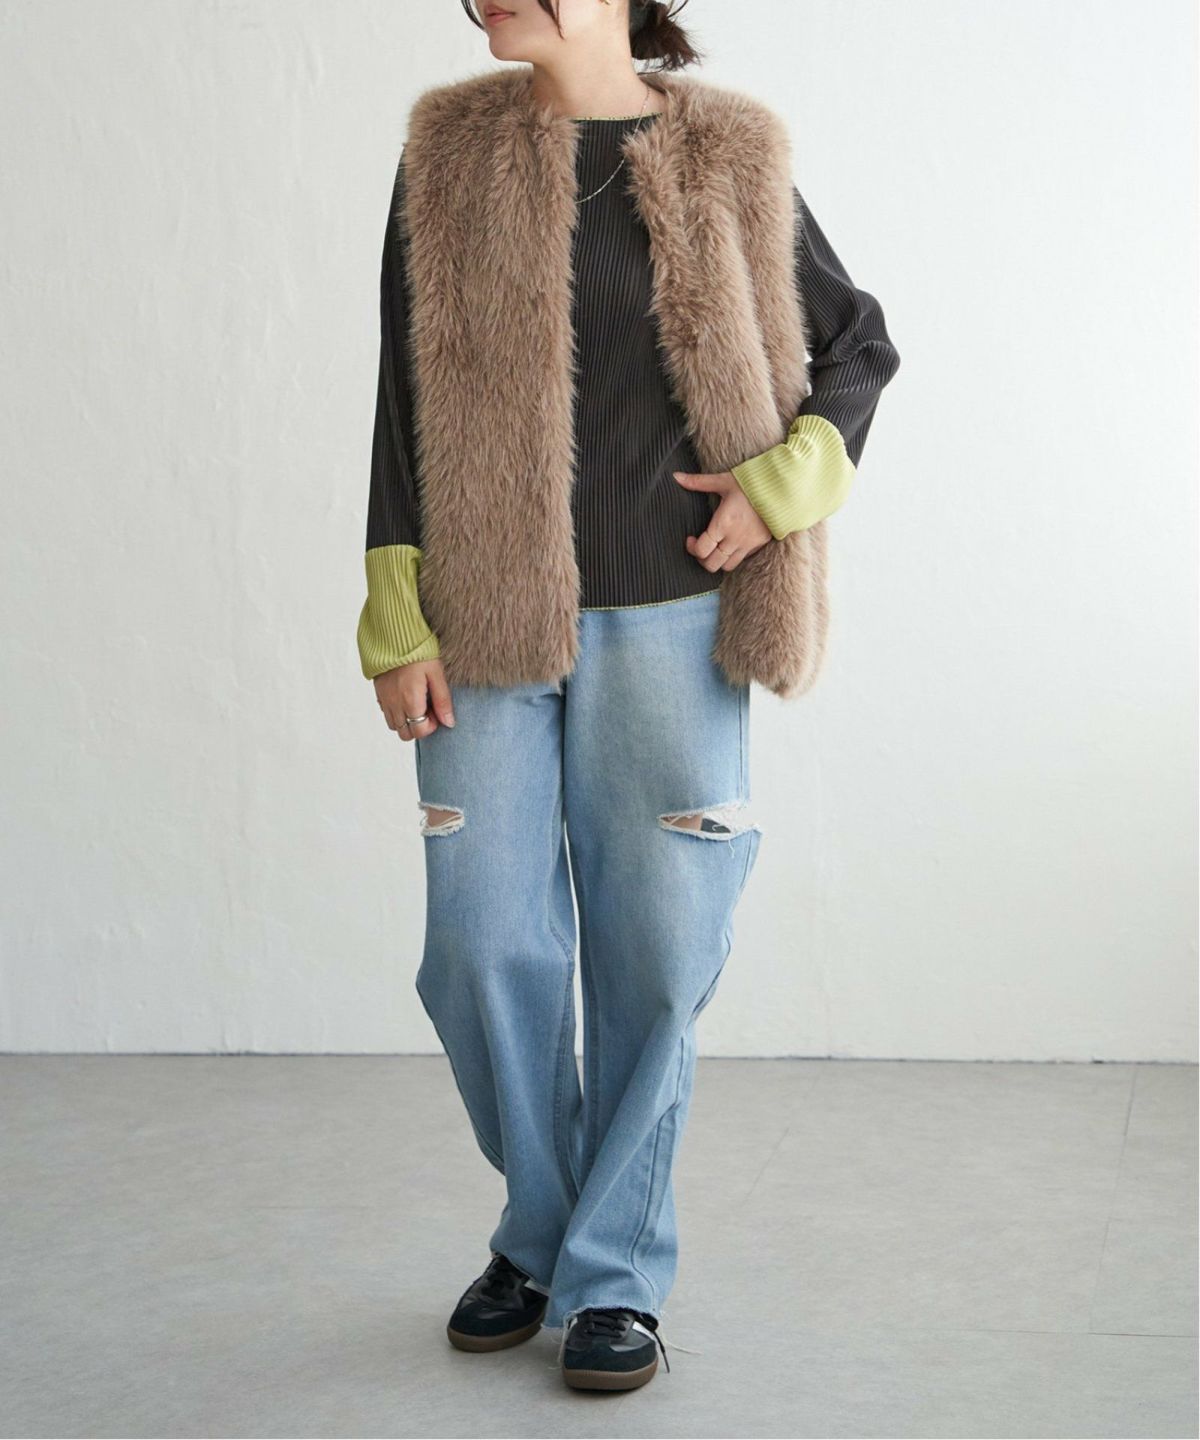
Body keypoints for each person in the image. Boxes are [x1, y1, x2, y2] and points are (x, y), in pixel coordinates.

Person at [356, 0, 900, 1394]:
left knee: (655, 959)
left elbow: (859, 344)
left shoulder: (727, 149)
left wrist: (779, 490)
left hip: (674, 614)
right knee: (480, 944)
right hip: (482, 616)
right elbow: (401, 400)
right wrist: (396, 615)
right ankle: (543, 1229)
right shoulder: (445, 152)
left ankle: (612, 1273)